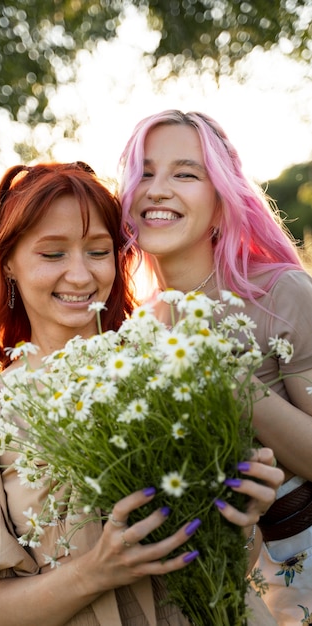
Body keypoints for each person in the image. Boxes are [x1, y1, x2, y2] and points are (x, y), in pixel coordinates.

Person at [0, 161, 282, 626]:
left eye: (98, 251)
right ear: (9, 262)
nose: (80, 275)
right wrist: (96, 571)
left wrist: (245, 512)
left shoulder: (168, 366)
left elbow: (236, 561)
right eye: (52, 254)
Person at [118, 109, 312, 625]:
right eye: (145, 172)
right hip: (207, 586)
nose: (157, 189)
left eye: (185, 173)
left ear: (223, 203)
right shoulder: (136, 333)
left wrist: (222, 377)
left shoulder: (281, 293)